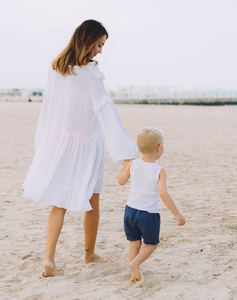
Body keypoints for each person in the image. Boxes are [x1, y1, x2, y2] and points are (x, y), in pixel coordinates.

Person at [23, 20, 138, 277]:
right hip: (86, 143)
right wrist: (125, 149)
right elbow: (104, 109)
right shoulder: (90, 73)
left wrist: (43, 142)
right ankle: (88, 254)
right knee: (93, 199)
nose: (100, 50)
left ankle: (49, 259)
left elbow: (48, 109)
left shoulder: (56, 68)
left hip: (59, 142)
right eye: (98, 44)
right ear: (87, 40)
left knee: (59, 202)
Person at [118, 127, 186, 283]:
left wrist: (126, 164)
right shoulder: (159, 170)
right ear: (159, 147)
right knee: (152, 243)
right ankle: (135, 263)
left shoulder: (133, 163)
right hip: (148, 214)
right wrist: (177, 214)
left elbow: (121, 181)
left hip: (130, 211)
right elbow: (163, 193)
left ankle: (133, 272)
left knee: (134, 243)